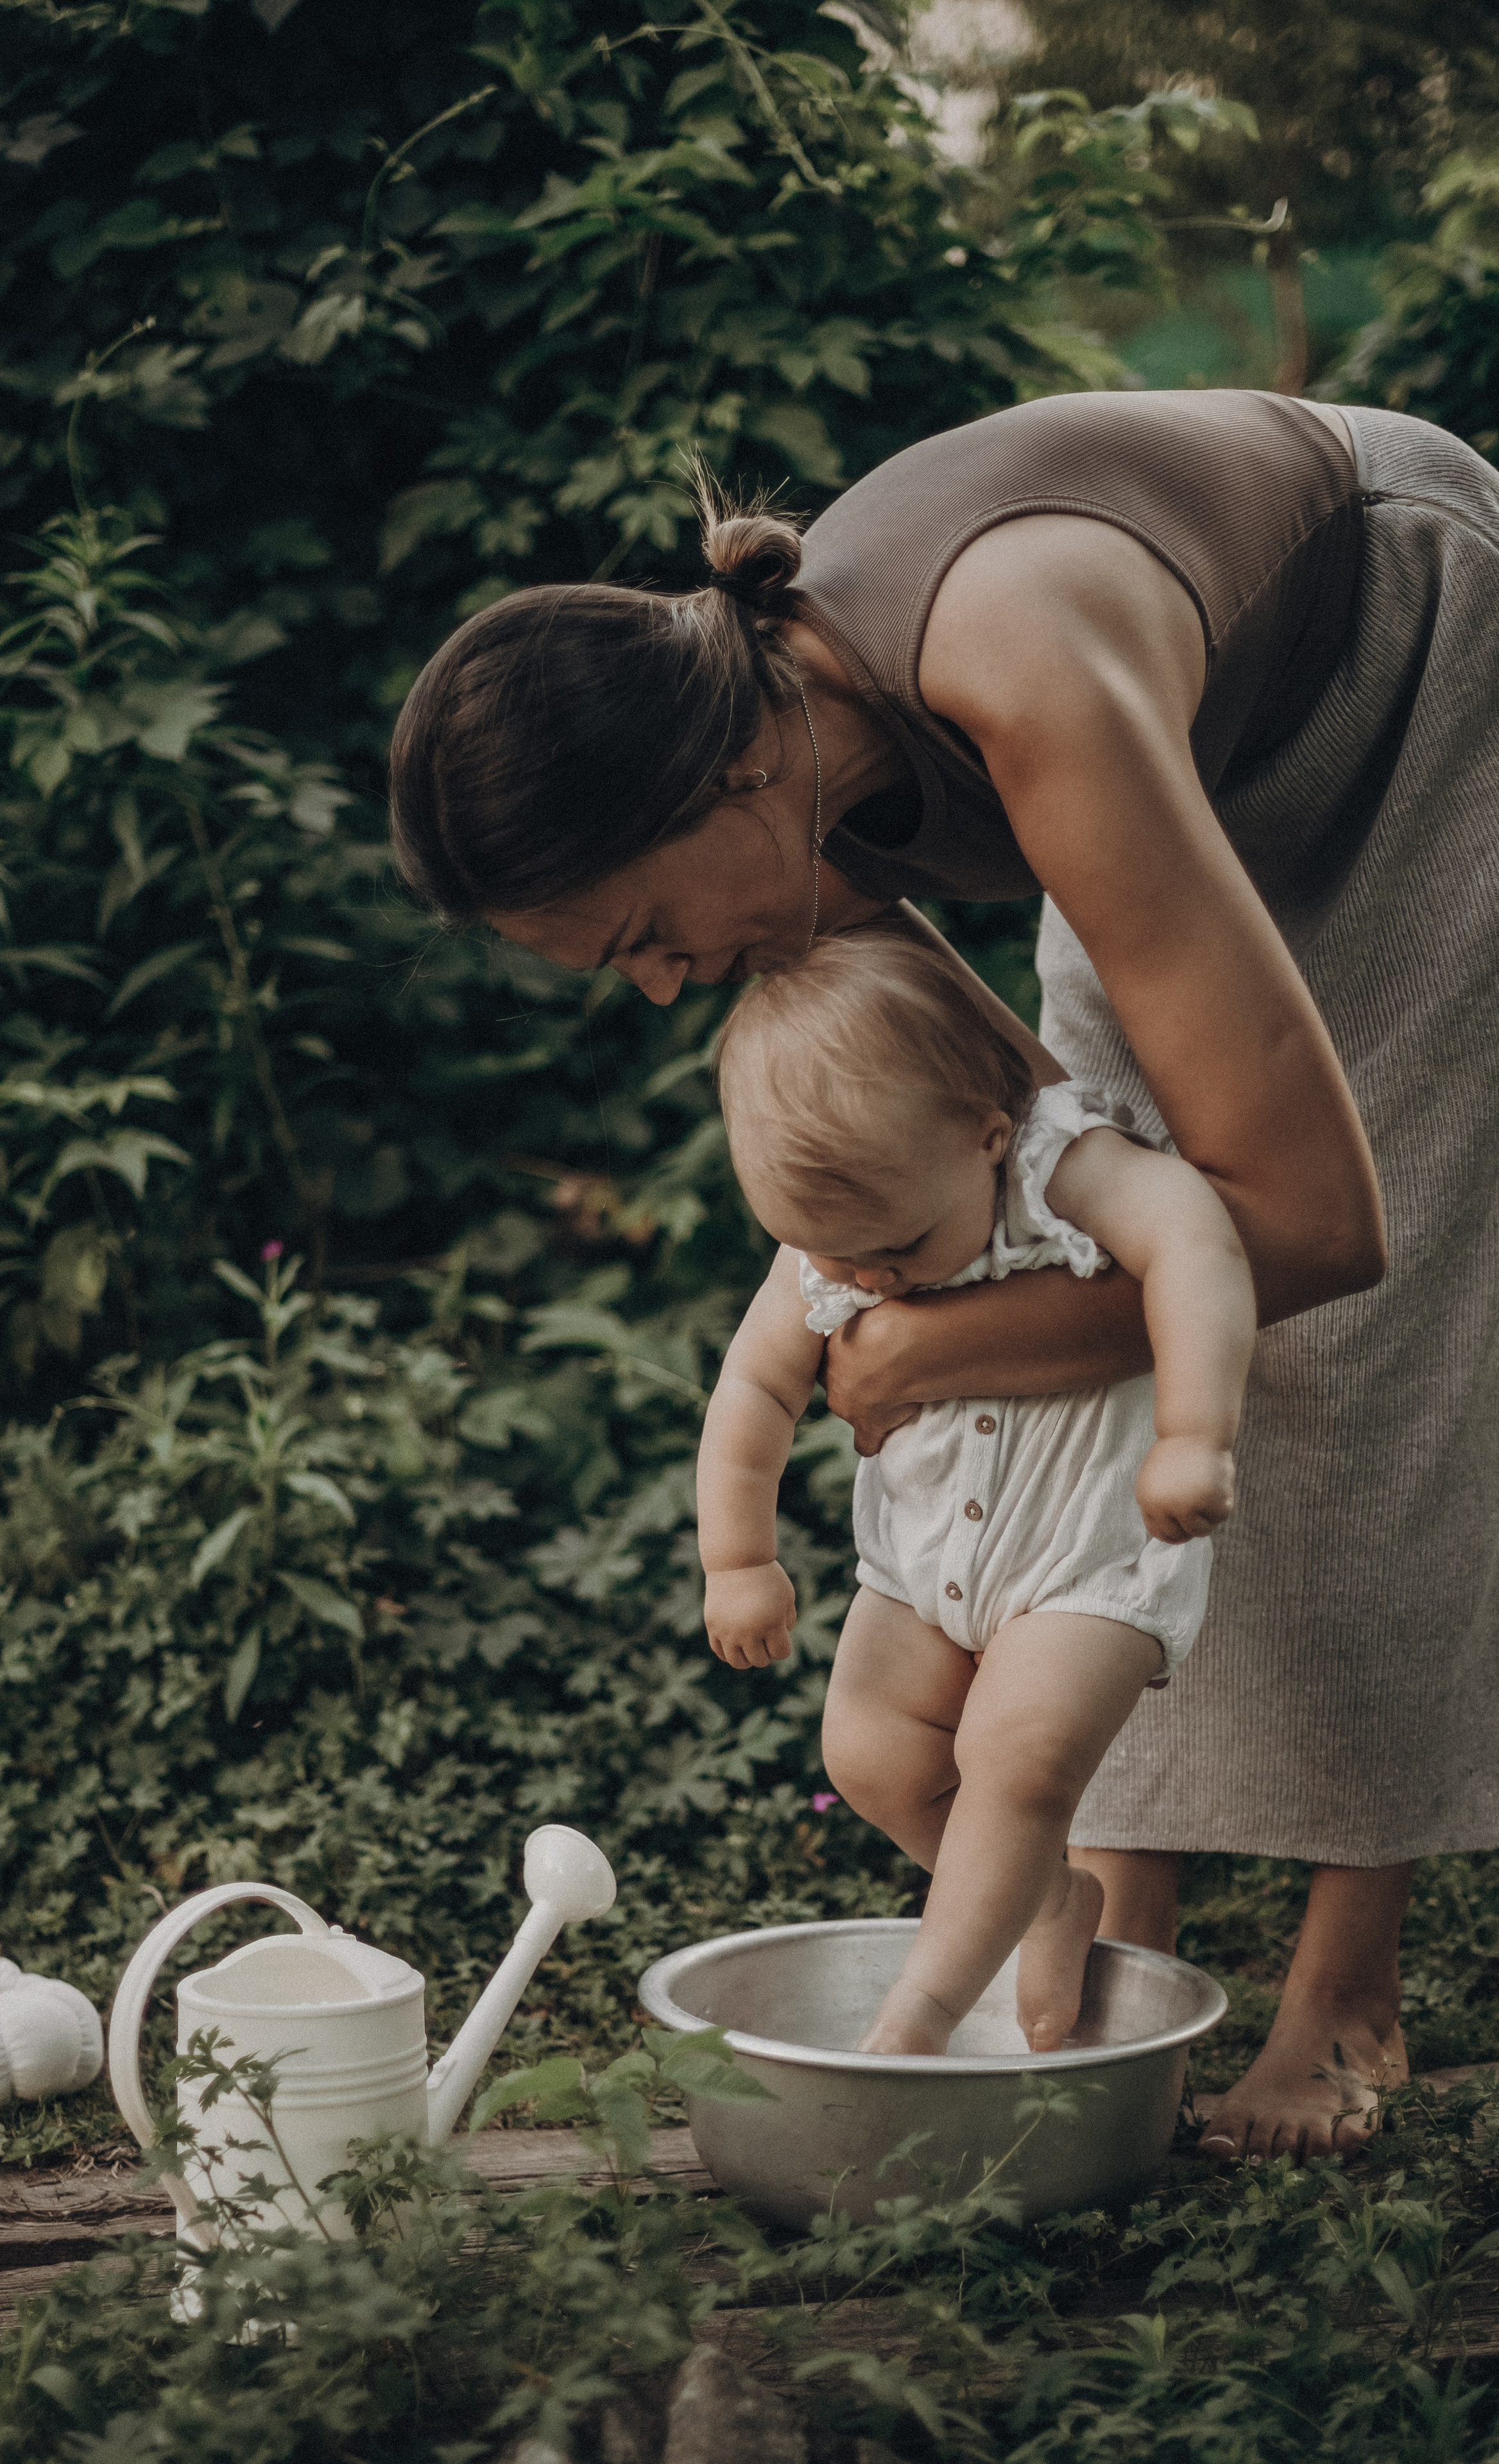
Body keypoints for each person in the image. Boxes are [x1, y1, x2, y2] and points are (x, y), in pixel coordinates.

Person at [390, 386, 1499, 2162]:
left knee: (1342, 1340)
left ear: (723, 781)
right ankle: (1117, 1916)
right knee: (1104, 1231)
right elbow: (1022, 1138)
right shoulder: (778, 766)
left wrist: (944, 1348)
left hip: (1413, 650)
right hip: (1190, 740)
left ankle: (1344, 1986)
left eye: (648, 934)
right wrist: (997, 1291)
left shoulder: (1021, 673)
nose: (669, 987)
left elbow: (1310, 1225)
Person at [697, 927, 1254, 2057]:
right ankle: (1041, 1897)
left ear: (989, 1137)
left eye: (895, 1248)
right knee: (869, 1750)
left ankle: (922, 2018)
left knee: (1012, 1757)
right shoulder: (835, 1245)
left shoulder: (1062, 1169)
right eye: (829, 1256)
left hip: (1088, 1560)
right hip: (925, 1566)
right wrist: (738, 1558)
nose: (865, 1284)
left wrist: (1195, 1433)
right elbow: (754, 1388)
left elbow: (1199, 1238)